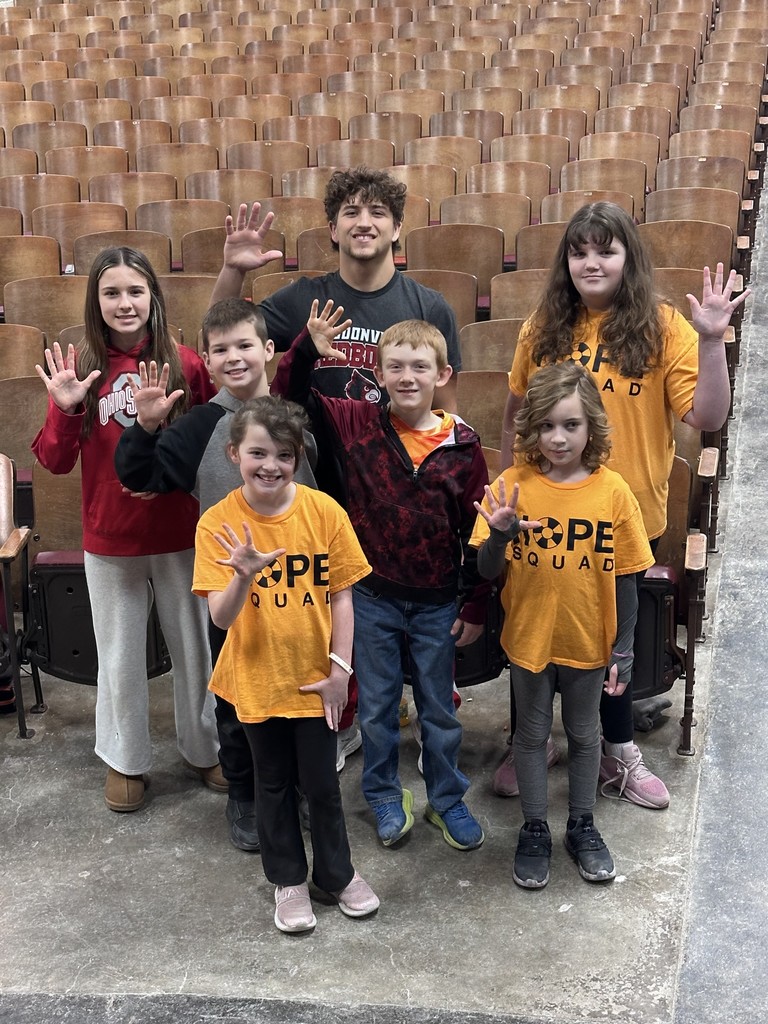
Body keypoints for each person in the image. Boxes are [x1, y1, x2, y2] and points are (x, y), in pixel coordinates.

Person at [495, 202, 749, 809]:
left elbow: (707, 416)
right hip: (542, 513)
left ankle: (616, 749)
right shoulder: (543, 326)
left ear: (628, 258)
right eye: (579, 251)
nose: (591, 262)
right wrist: (507, 486)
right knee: (528, 622)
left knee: (611, 640)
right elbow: (515, 414)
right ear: (566, 261)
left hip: (622, 517)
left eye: (605, 250)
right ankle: (528, 740)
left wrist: (712, 340)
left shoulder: (663, 328)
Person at [210, 170, 464, 770]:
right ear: (332, 228)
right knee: (339, 613)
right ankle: (341, 715)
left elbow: (447, 409)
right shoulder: (302, 299)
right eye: (350, 211)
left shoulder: (427, 306)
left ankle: (424, 717)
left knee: (406, 616)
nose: (364, 221)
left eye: (378, 211)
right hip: (317, 490)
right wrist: (236, 272)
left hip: (399, 499)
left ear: (398, 227)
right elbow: (224, 336)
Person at [274, 308, 488, 851]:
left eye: (420, 366)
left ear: (442, 375)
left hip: (438, 602)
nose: (407, 377)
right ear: (378, 372)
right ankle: (385, 794)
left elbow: (477, 529)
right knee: (374, 708)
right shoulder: (355, 423)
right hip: (372, 599)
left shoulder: (464, 447)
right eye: (395, 367)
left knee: (439, 710)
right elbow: (289, 403)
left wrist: (475, 603)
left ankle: (447, 797)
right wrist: (304, 350)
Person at [115, 298, 316, 851]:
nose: (234, 357)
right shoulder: (203, 424)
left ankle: (294, 789)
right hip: (232, 591)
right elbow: (140, 474)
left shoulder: (297, 416)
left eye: (245, 345)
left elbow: (331, 496)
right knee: (234, 699)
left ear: (268, 350)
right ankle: (245, 795)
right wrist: (146, 427)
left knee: (297, 695)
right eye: (220, 348)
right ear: (205, 358)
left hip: (301, 590)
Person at [31, 246, 223, 813]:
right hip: (111, 538)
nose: (125, 303)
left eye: (135, 291)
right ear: (96, 301)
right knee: (118, 655)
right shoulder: (82, 370)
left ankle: (204, 745)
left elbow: (214, 441)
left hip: (181, 534)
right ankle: (125, 758)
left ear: (153, 298)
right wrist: (65, 409)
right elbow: (54, 461)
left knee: (196, 649)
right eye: (111, 292)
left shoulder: (185, 363)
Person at [192, 396, 379, 933]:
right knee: (271, 785)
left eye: (283, 454)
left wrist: (341, 671)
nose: (270, 464)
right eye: (257, 453)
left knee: (321, 783)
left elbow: (343, 596)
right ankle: (288, 881)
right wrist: (244, 575)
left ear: (298, 458)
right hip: (254, 680)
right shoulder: (218, 524)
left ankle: (337, 875)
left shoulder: (324, 513)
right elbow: (221, 619)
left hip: (316, 681)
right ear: (234, 454)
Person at [473, 362, 654, 887]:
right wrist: (502, 535)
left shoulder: (614, 491)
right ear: (530, 427)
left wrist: (622, 649)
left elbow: (627, 579)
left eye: (570, 425)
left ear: (591, 427)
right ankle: (534, 828)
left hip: (588, 643)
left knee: (585, 733)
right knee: (529, 737)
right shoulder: (511, 486)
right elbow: (487, 571)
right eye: (547, 425)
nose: (557, 438)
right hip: (529, 639)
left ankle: (581, 824)